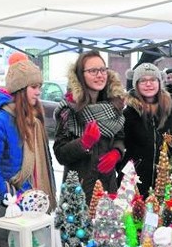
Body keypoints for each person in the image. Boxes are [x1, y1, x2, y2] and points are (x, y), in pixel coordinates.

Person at [0, 55, 57, 247]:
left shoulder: (34, 120)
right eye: (34, 87)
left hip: (35, 206)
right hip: (14, 209)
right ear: (19, 89)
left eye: (39, 87)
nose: (39, 92)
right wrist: (10, 198)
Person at [53, 50, 126, 204]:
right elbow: (60, 154)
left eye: (102, 70)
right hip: (79, 192)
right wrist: (83, 143)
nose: (100, 75)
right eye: (93, 71)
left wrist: (116, 152)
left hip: (107, 187)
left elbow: (120, 137)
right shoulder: (70, 109)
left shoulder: (114, 106)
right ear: (81, 75)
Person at [120, 63, 172, 197]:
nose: (148, 84)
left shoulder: (170, 111)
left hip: (164, 180)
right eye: (143, 80)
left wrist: (168, 166)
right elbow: (121, 145)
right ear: (136, 84)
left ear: (159, 82)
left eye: (152, 80)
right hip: (134, 182)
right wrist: (126, 172)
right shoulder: (129, 113)